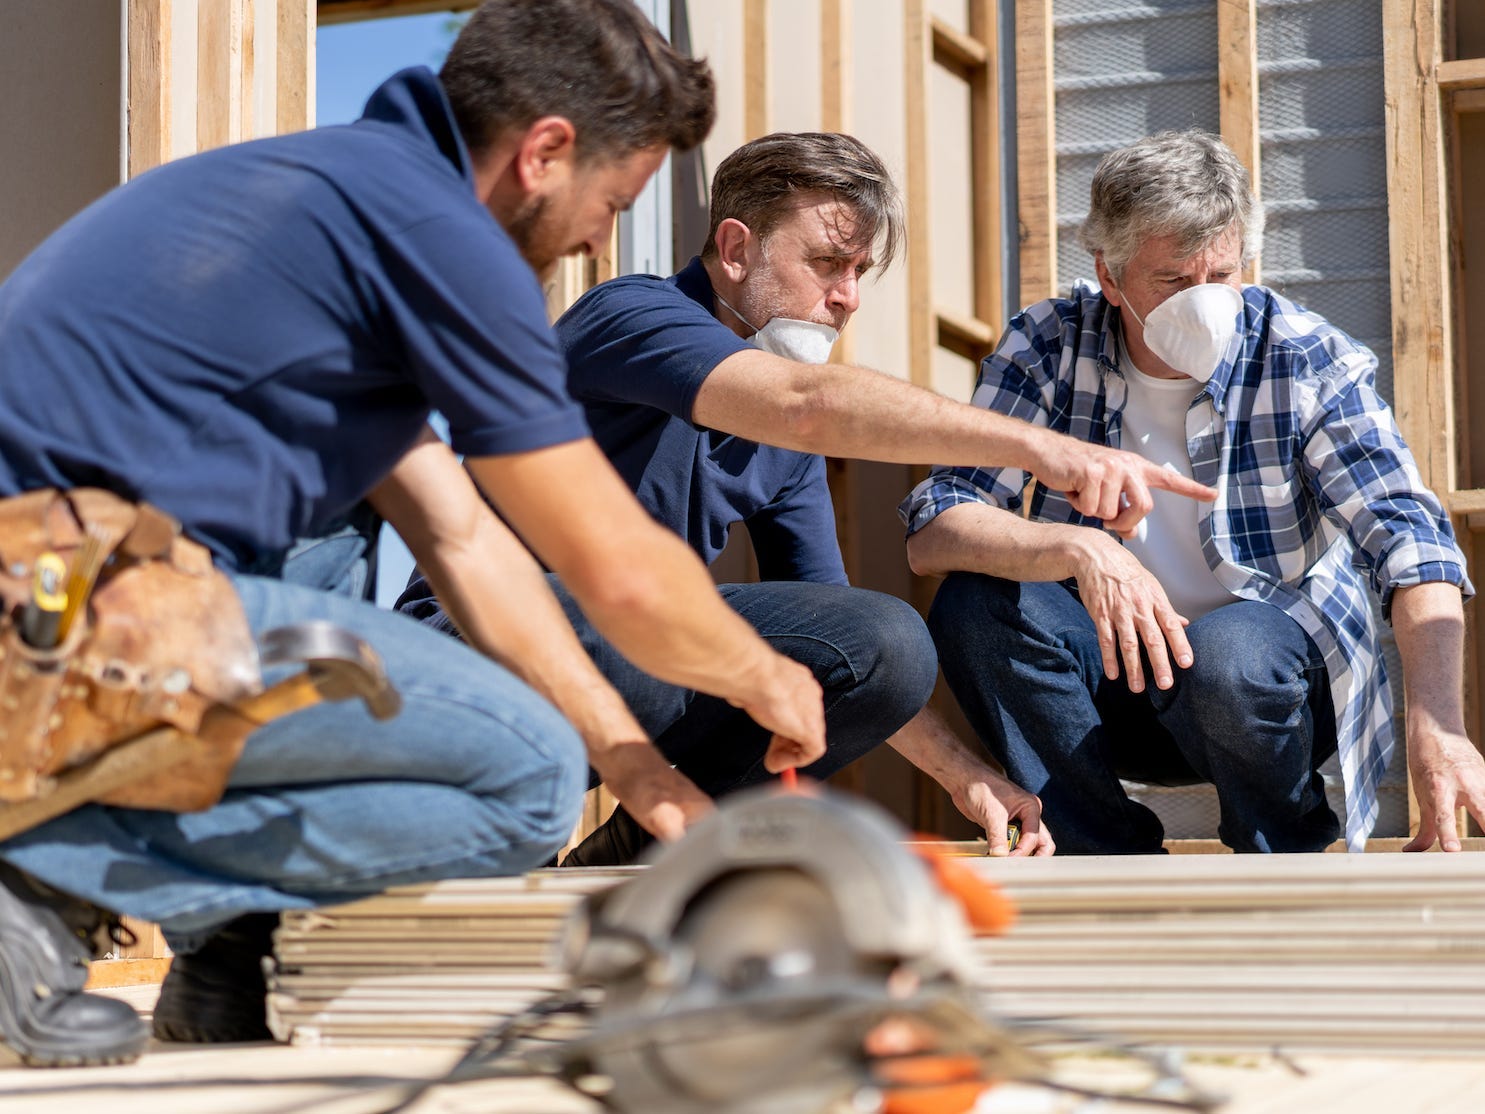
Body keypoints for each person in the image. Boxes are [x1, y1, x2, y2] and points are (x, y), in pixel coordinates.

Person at [0, 0, 829, 1067]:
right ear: (544, 151)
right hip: (57, 605)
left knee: (495, 720)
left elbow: (466, 542)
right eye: (611, 200)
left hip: (59, 597)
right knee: (525, 780)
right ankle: (44, 876)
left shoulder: (351, 201)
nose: (599, 241)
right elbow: (612, 565)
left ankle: (183, 936)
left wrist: (637, 770)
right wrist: (763, 671)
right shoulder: (436, 232)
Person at [399, 131, 1213, 864]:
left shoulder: (781, 445)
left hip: (622, 660)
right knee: (644, 617)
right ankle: (479, 834)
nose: (848, 297)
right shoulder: (631, 317)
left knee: (882, 644)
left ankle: (645, 852)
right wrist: (1044, 449)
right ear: (733, 248)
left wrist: (971, 780)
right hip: (463, 649)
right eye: (826, 263)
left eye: (859, 272)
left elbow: (838, 632)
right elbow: (800, 399)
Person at [903, 129, 1485, 855]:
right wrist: (1078, 547)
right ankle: (1101, 855)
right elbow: (934, 527)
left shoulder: (1302, 354)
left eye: (1222, 274)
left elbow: (1409, 536)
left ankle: (1282, 855)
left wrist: (1439, 725)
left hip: (1264, 683)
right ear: (1109, 277)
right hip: (1106, 680)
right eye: (1174, 282)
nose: (1205, 302)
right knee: (975, 602)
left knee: (1231, 651)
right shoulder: (1049, 344)